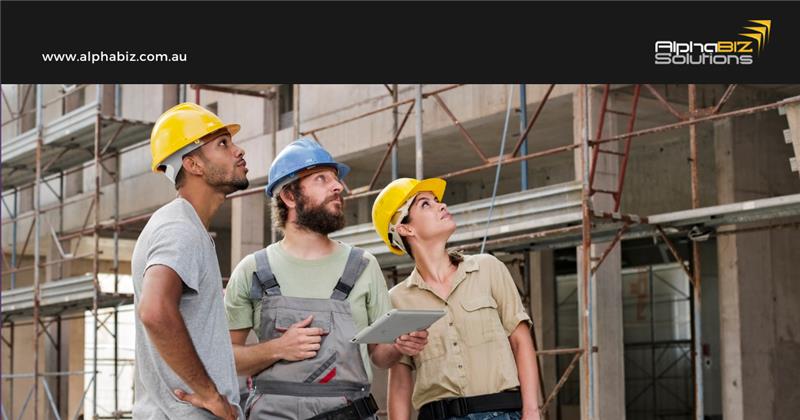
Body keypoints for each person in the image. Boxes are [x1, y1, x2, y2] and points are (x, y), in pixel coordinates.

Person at [224, 138, 428, 420]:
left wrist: (399, 345)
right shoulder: (253, 270)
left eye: (336, 179)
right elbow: (225, 359)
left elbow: (379, 356)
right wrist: (278, 348)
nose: (337, 187)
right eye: (321, 178)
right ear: (289, 196)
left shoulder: (363, 266)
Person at [371, 177, 543, 420]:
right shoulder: (398, 299)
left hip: (503, 412)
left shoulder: (488, 269)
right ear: (405, 228)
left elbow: (521, 342)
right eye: (425, 204)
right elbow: (399, 380)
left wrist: (532, 411)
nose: (441, 206)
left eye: (437, 201)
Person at [132, 102, 249, 419]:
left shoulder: (187, 226)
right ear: (193, 164)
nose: (238, 151)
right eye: (223, 144)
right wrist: (211, 395)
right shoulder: (179, 227)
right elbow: (155, 311)